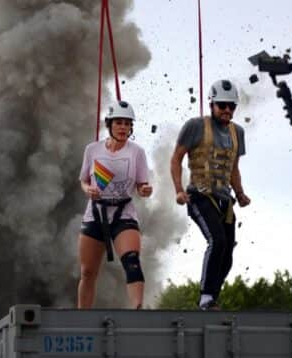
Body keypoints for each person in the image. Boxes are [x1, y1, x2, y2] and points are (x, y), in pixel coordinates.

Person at [170, 79, 251, 311]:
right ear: (212, 104)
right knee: (217, 240)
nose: (227, 110)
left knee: (228, 251)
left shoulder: (238, 133)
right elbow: (176, 158)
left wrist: (241, 193)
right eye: (222, 105)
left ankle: (213, 297)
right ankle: (206, 297)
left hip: (225, 200)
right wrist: (178, 190)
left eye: (231, 106)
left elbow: (233, 168)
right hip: (199, 195)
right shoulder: (195, 126)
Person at [78, 100, 153, 309]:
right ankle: (83, 316)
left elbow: (141, 184)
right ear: (109, 124)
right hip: (96, 213)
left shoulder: (137, 152)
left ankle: (138, 309)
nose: (123, 127)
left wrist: (145, 190)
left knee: (132, 261)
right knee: (87, 272)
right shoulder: (92, 150)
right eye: (119, 122)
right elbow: (83, 180)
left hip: (123, 212)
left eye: (127, 123)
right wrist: (88, 190)